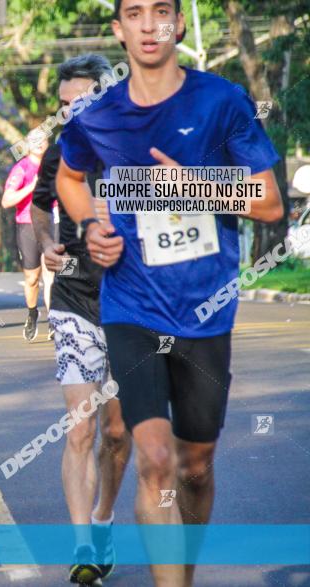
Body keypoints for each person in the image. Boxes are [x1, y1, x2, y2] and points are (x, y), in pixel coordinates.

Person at [57, 1, 283, 585]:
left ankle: (180, 567)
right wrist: (91, 228)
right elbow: (68, 177)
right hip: (131, 306)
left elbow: (270, 203)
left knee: (196, 468)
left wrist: (195, 185)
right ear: (119, 29)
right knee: (155, 460)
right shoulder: (96, 114)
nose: (149, 23)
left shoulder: (222, 102)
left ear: (179, 24)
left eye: (162, 11)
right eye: (134, 12)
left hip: (206, 312)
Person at [31, 54, 133, 586]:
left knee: (117, 433)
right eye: (64, 105)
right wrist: (48, 244)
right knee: (80, 428)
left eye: (83, 102)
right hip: (73, 299)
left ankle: (104, 517)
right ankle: (82, 545)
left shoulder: (138, 145)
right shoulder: (60, 152)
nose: (72, 113)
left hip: (132, 301)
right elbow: (38, 207)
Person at [3, 131, 55, 341]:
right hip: (27, 224)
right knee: (32, 278)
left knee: (51, 273)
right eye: (34, 140)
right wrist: (31, 187)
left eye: (42, 139)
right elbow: (6, 201)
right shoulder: (22, 168)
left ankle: (53, 320)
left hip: (53, 222)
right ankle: (33, 312)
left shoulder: (55, 164)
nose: (39, 144)